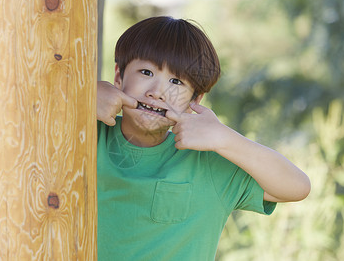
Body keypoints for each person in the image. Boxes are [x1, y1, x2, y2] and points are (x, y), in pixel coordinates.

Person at [96, 16, 310, 260]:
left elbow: (297, 187)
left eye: (176, 81)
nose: (157, 92)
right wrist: (78, 99)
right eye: (146, 72)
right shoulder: (87, 136)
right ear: (118, 77)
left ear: (194, 101)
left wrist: (223, 137)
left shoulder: (207, 163)